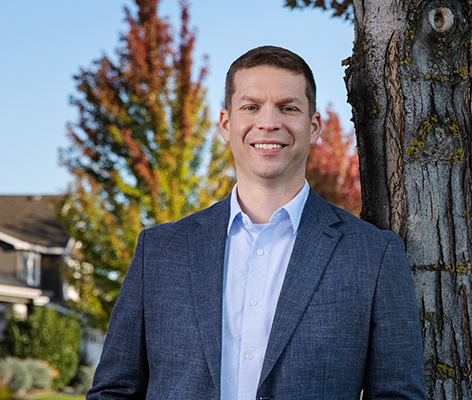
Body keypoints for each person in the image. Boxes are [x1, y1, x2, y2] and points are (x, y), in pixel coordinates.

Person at [87, 46, 425, 399]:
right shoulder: (158, 251)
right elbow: (114, 390)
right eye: (251, 107)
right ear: (225, 124)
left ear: (313, 127)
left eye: (288, 108)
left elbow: (397, 394)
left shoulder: (373, 255)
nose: (268, 122)